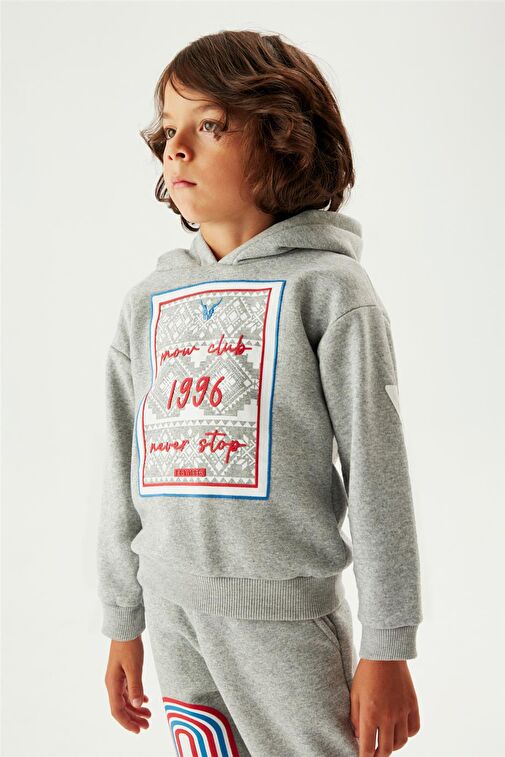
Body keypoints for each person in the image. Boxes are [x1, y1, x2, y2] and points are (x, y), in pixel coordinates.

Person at [97, 29, 423, 757]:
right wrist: (123, 619)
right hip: (173, 612)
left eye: (210, 125)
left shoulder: (330, 290)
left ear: (284, 138)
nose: (177, 149)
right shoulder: (147, 301)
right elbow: (121, 468)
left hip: (284, 622)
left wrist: (388, 642)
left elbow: (377, 473)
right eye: (169, 130)